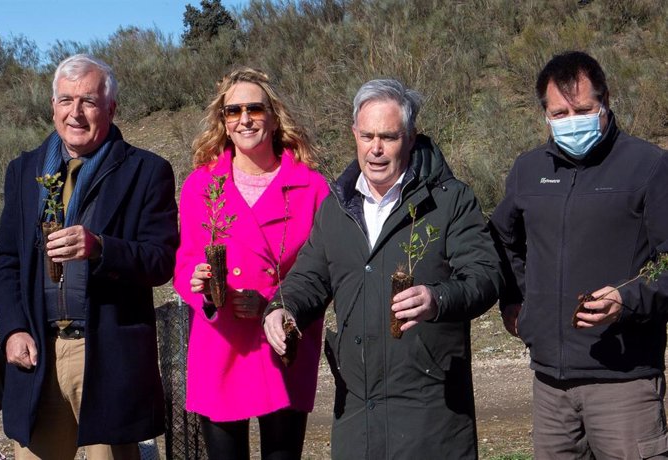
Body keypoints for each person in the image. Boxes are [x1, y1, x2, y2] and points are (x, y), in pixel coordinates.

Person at [264, 79, 501, 459]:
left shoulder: (450, 200)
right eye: (367, 136)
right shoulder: (336, 207)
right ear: (354, 134)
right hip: (356, 411)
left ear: (410, 137)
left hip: (430, 410)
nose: (375, 149)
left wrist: (437, 298)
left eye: (388, 137)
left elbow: (485, 276)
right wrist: (282, 307)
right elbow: (310, 275)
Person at [0, 54, 179, 459]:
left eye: (88, 102)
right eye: (65, 100)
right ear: (52, 105)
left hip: (106, 356)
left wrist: (101, 249)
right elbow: (6, 261)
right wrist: (12, 330)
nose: (75, 113)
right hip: (37, 354)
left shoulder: (147, 171)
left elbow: (161, 260)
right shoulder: (24, 171)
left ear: (110, 109)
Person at [489, 51, 668, 459]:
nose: (572, 120)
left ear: (605, 102)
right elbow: (501, 238)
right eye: (560, 113)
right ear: (545, 115)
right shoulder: (528, 169)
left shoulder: (649, 166)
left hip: (625, 384)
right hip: (550, 387)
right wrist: (515, 300)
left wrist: (627, 300)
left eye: (583, 109)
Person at [173, 67, 329, 459]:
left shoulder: (312, 187)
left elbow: (324, 269)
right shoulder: (201, 186)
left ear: (274, 117)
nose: (244, 119)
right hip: (221, 343)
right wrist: (200, 287)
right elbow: (185, 258)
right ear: (223, 123)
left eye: (254, 109)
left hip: (281, 342)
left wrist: (276, 304)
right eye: (232, 111)